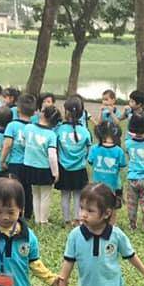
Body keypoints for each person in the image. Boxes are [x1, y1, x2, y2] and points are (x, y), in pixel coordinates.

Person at [56, 95, 91, 227]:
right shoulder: (85, 131)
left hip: (63, 168)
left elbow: (55, 147)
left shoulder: (59, 129)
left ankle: (66, 220)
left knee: (65, 195)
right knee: (78, 195)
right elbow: (89, 149)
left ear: (66, 112)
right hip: (79, 169)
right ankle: (77, 219)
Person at [22, 105, 60, 225]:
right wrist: (55, 172)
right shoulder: (51, 135)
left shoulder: (28, 128)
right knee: (45, 195)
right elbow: (52, 156)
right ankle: (43, 221)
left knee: (35, 194)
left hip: (29, 166)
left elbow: (23, 142)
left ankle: (37, 219)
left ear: (42, 114)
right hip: (44, 169)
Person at [1, 93, 35, 215]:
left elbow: (7, 145)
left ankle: (16, 212)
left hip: (15, 163)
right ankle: (28, 212)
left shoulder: (12, 125)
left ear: (18, 109)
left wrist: (2, 160)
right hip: (30, 163)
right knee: (28, 189)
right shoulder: (34, 126)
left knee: (14, 189)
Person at [87, 121, 127, 223]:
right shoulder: (119, 150)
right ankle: (112, 226)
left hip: (97, 185)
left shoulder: (94, 148)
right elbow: (122, 165)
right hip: (114, 186)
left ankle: (98, 224)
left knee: (97, 206)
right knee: (112, 208)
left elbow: (90, 161)